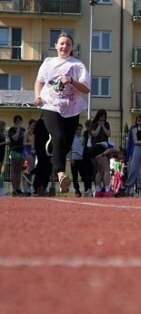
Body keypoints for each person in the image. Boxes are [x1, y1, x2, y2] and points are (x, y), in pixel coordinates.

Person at [33, 31, 91, 193]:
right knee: (58, 136)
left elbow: (86, 89)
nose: (64, 46)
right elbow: (39, 81)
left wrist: (71, 81)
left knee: (64, 146)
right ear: (56, 46)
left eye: (68, 44)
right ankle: (60, 174)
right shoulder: (48, 62)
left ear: (72, 48)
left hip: (71, 108)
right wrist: (37, 96)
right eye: (62, 43)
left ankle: (44, 175)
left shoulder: (77, 65)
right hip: (50, 105)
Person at [123, 114, 141, 197]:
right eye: (138, 121)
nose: (139, 122)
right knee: (133, 170)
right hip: (137, 149)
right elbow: (136, 142)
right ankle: (129, 187)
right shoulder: (134, 130)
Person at [90, 109, 112, 193]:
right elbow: (94, 133)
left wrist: (103, 126)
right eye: (101, 117)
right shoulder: (93, 124)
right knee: (106, 169)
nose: (102, 119)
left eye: (104, 117)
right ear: (98, 116)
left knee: (100, 170)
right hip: (97, 148)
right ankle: (106, 188)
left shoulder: (106, 124)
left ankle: (98, 189)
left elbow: (108, 134)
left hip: (104, 148)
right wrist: (99, 126)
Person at [7, 115, 26, 196]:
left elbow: (25, 139)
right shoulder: (11, 130)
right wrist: (18, 130)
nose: (19, 122)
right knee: (14, 170)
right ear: (15, 122)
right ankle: (14, 189)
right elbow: (15, 138)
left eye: (20, 120)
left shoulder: (23, 130)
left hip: (22, 151)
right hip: (14, 151)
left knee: (19, 171)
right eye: (17, 121)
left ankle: (18, 188)